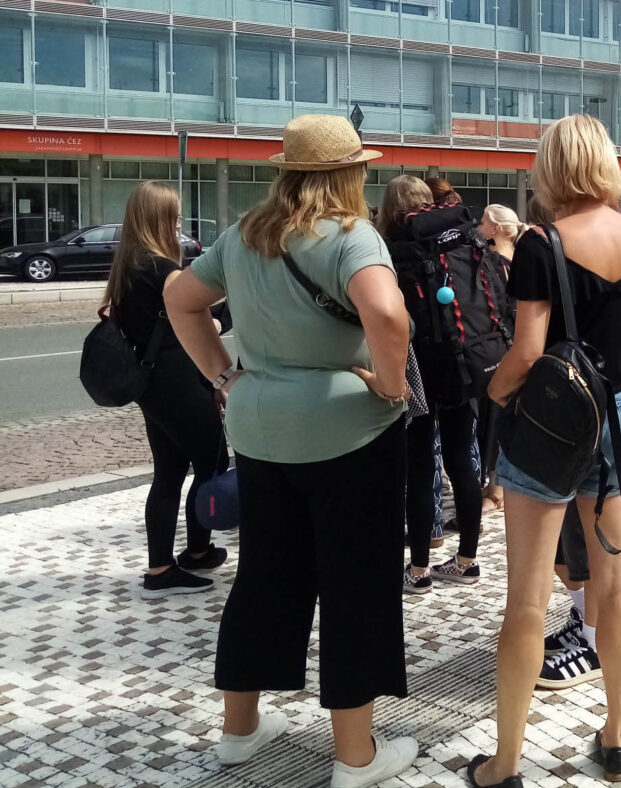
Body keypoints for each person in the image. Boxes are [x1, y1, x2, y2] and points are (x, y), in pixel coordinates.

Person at [163, 114, 418, 786]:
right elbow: (388, 316)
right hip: (347, 432)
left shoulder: (248, 231)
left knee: (266, 577)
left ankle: (239, 731)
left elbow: (180, 297)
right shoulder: (351, 235)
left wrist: (222, 373)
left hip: (258, 430)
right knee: (354, 586)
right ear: (350, 172)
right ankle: (355, 757)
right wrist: (391, 388)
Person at [468, 114, 621, 788]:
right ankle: (616, 731)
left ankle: (506, 762)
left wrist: (491, 396)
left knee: (525, 599)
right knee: (615, 585)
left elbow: (527, 352)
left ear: (551, 166)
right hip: (620, 416)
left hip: (551, 423)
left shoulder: (539, 245)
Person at [102, 181, 230, 600]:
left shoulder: (127, 267)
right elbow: (195, 322)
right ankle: (192, 552)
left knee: (170, 472)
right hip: (179, 380)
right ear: (161, 220)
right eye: (174, 217)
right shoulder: (164, 270)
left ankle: (164, 563)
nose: (178, 224)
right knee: (210, 462)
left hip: (152, 385)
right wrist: (216, 324)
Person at [375, 176, 489, 594]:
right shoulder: (461, 242)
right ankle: (467, 560)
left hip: (417, 368)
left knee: (421, 468)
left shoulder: (390, 252)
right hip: (462, 361)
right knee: (462, 460)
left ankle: (419, 569)